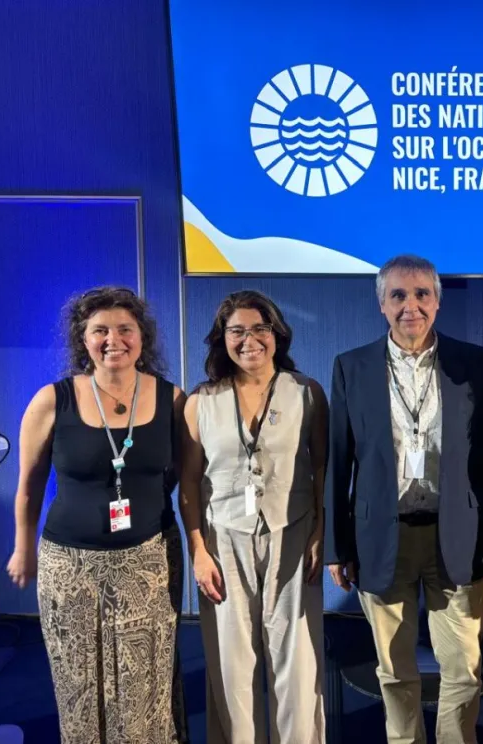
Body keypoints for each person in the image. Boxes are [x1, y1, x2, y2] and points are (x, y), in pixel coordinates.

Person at [325, 254, 483, 744]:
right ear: (382, 304)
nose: (411, 305)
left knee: (464, 670)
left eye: (422, 294)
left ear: (438, 303)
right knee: (395, 671)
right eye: (398, 295)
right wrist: (338, 546)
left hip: (457, 535)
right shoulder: (352, 366)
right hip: (381, 535)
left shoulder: (473, 360)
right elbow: (339, 459)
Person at [5, 286, 187, 743]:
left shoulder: (173, 399)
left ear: (142, 336)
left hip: (146, 563)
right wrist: (22, 549)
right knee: (80, 689)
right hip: (69, 568)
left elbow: (182, 475)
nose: (114, 339)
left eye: (125, 329)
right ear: (82, 340)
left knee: (145, 688)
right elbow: (27, 488)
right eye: (100, 330)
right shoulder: (53, 399)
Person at [179, 290, 327, 743]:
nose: (249, 340)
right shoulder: (199, 401)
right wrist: (198, 550)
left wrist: (321, 531)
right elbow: (188, 483)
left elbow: (321, 467)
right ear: (221, 339)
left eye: (259, 329)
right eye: (237, 331)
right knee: (231, 665)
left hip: (293, 533)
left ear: (276, 334)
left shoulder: (306, 392)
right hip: (224, 541)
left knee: (297, 665)